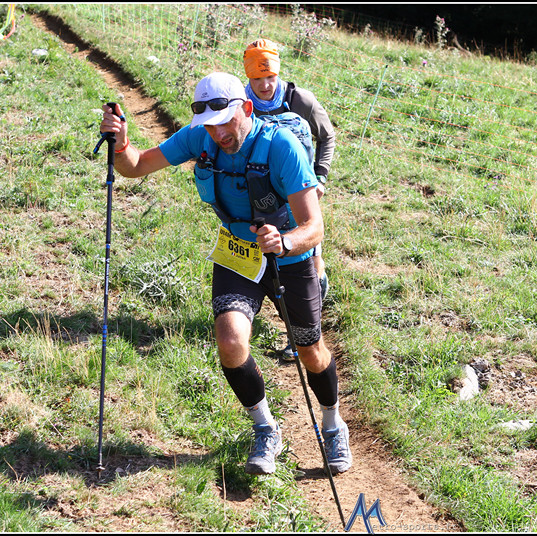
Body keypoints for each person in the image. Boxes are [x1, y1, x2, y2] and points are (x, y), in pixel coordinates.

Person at [98, 72, 351, 476]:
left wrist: (285, 242)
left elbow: (314, 226)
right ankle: (266, 429)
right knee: (231, 342)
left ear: (246, 110)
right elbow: (136, 167)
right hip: (237, 254)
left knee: (310, 352)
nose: (217, 135)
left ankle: (333, 424)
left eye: (225, 124)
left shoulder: (281, 147)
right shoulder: (199, 137)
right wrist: (121, 142)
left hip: (289, 258)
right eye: (209, 127)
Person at [242, 39, 335, 304]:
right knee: (263, 249)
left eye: (270, 77)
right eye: (257, 78)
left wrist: (320, 177)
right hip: (258, 190)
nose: (265, 85)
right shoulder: (240, 104)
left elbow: (327, 136)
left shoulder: (300, 100)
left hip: (299, 188)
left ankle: (313, 295)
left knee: (308, 250)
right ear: (248, 76)